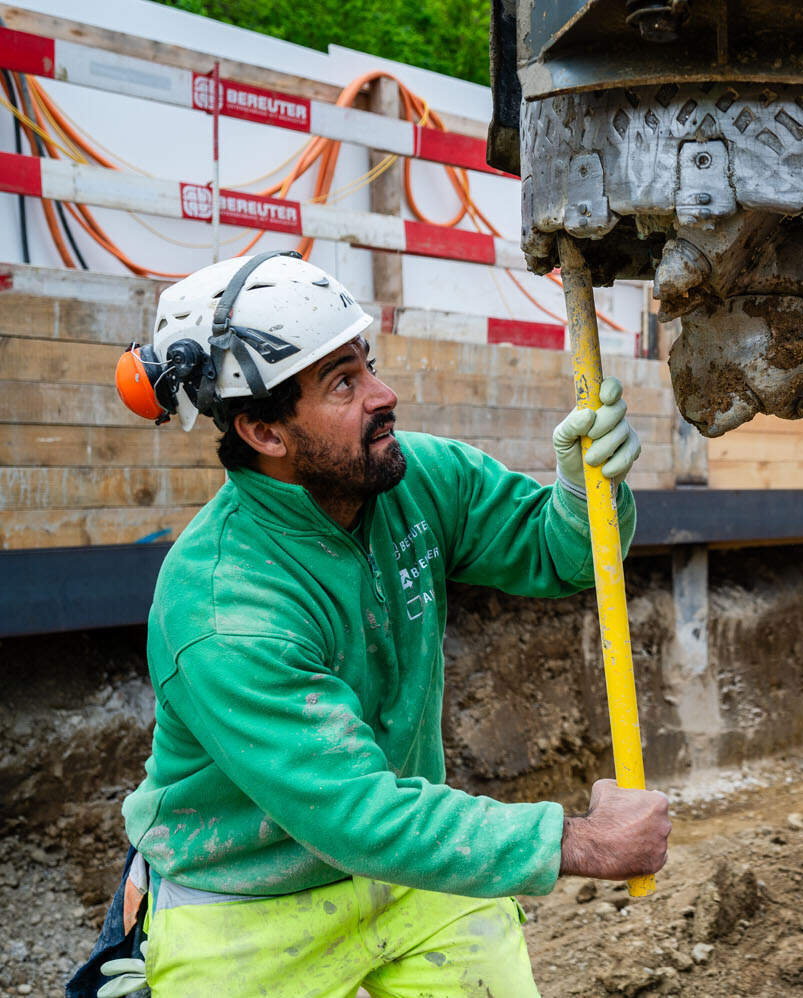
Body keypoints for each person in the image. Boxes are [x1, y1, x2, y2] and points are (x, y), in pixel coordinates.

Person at [82, 251, 671, 997]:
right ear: (266, 433)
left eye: (369, 364)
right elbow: (354, 811)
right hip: (250, 901)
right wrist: (582, 842)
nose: (384, 394)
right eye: (343, 383)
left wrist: (590, 489)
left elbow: (563, 556)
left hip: (415, 871)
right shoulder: (223, 608)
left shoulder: (413, 478)